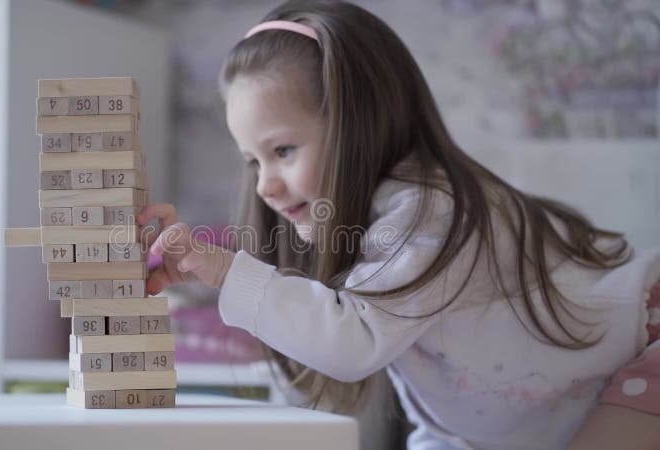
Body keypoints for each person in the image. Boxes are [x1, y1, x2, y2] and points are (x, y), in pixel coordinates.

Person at [136, 1, 660, 448]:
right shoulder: (375, 231)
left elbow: (353, 341)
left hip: (644, 350)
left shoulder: (429, 210)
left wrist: (227, 271)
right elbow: (443, 407)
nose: (265, 186)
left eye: (283, 150)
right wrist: (203, 272)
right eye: (253, 160)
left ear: (358, 125)